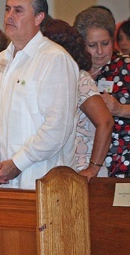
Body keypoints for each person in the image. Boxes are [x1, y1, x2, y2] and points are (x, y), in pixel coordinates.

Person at [0, 0, 78, 189]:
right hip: (4, 179)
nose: (9, 16)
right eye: (7, 9)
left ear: (38, 18)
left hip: (43, 179)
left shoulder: (55, 59)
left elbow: (57, 128)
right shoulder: (0, 61)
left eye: (18, 10)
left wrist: (18, 163)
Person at [43, 18, 113, 181]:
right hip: (63, 170)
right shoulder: (57, 78)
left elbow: (106, 122)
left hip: (84, 172)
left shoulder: (79, 78)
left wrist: (93, 168)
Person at [74, 6, 130, 177]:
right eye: (92, 45)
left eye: (105, 44)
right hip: (82, 163)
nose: (99, 51)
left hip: (123, 161)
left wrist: (120, 109)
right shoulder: (74, 70)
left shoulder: (126, 66)